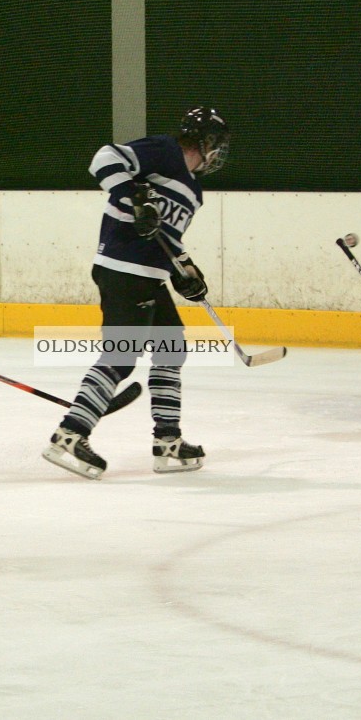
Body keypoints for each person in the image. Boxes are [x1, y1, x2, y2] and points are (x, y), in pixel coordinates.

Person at [42, 107, 231, 479]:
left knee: (171, 345)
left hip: (150, 275)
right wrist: (135, 199)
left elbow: (165, 236)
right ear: (205, 141)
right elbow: (105, 158)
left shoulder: (193, 190)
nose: (217, 154)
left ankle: (168, 442)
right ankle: (69, 435)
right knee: (121, 356)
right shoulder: (164, 150)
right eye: (216, 145)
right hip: (123, 269)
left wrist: (185, 269)